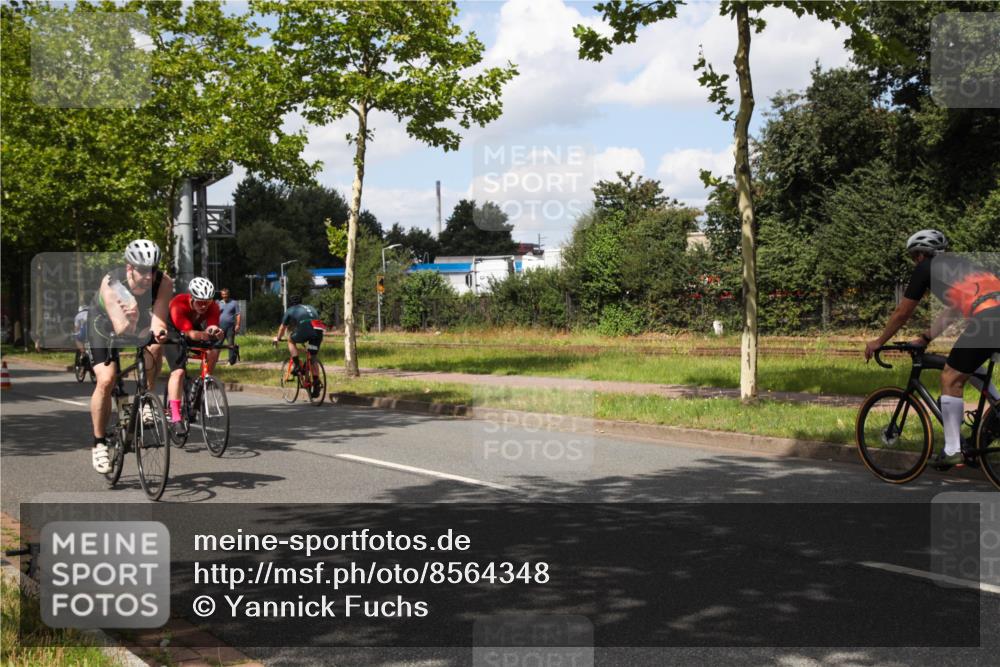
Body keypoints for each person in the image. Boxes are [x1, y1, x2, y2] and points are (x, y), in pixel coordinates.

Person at [865, 229, 1000, 468]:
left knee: (950, 377)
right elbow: (953, 310)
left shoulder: (926, 268)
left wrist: (879, 341)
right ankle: (997, 416)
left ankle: (952, 450)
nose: (914, 261)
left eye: (913, 257)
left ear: (920, 255)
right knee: (971, 369)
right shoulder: (966, 266)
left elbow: (902, 312)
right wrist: (926, 337)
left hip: (989, 320)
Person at [89, 239, 174, 473]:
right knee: (107, 379)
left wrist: (158, 334)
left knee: (156, 346)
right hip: (103, 324)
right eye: (143, 270)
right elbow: (121, 327)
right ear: (129, 268)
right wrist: (133, 321)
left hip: (136, 317)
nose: (149, 276)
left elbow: (158, 321)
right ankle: (98, 443)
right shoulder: (112, 282)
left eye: (153, 269)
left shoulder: (163, 282)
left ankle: (146, 397)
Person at [164, 277, 224, 435]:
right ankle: (175, 417)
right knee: (179, 372)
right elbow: (189, 333)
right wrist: (206, 335)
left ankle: (201, 382)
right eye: (199, 302)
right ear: (191, 298)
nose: (204, 306)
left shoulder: (213, 306)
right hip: (173, 332)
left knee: (213, 352)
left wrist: (214, 331)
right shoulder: (178, 304)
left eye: (207, 302)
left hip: (194, 330)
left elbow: (211, 325)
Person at [272, 294, 325, 398]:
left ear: (291, 304)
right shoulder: (310, 307)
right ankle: (316, 383)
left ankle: (296, 365)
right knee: (312, 357)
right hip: (318, 329)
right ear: (301, 301)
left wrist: (277, 338)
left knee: (290, 340)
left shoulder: (290, 310)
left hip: (306, 328)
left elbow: (282, 327)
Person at [216, 287, 241, 364]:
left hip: (230, 326)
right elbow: (215, 314)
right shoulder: (218, 303)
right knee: (218, 343)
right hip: (220, 326)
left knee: (230, 344)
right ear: (221, 295)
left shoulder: (234, 303)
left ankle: (231, 361)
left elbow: (238, 315)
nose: (224, 296)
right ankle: (214, 359)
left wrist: (238, 325)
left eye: (226, 294)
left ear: (228, 294)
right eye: (223, 294)